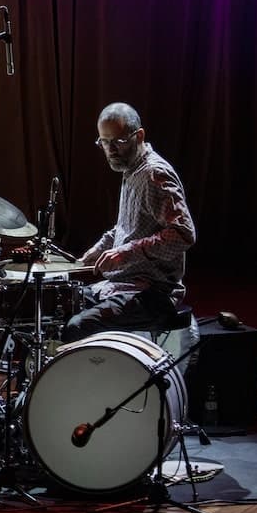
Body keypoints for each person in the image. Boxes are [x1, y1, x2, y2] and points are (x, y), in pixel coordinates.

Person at [62, 102, 197, 351]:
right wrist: (94, 252)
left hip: (153, 292)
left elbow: (182, 234)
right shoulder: (131, 170)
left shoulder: (154, 174)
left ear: (140, 136)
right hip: (122, 285)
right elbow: (126, 227)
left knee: (78, 326)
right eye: (104, 142)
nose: (111, 150)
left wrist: (126, 252)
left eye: (118, 141)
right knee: (62, 306)